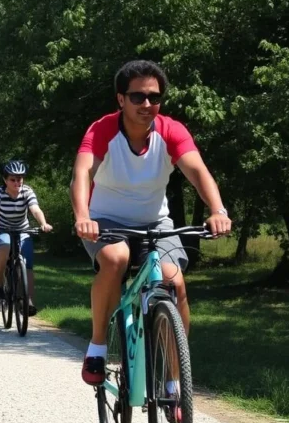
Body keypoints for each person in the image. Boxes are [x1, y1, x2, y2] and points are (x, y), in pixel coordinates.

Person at [70, 60, 232, 391]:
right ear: (120, 99)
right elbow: (83, 173)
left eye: (154, 98)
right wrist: (83, 217)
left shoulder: (171, 130)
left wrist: (217, 209)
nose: (147, 105)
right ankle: (98, 348)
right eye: (138, 97)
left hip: (155, 222)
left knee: (175, 282)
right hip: (105, 221)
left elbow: (198, 172)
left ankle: (175, 381)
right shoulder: (102, 130)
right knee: (114, 261)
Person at [0, 160, 53, 315]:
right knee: (5, 245)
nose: (17, 182)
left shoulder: (27, 192)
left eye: (19, 179)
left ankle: (29, 301)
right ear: (5, 180)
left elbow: (35, 209)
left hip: (22, 229)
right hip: (0, 229)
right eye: (12, 179)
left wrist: (43, 223)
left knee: (27, 263)